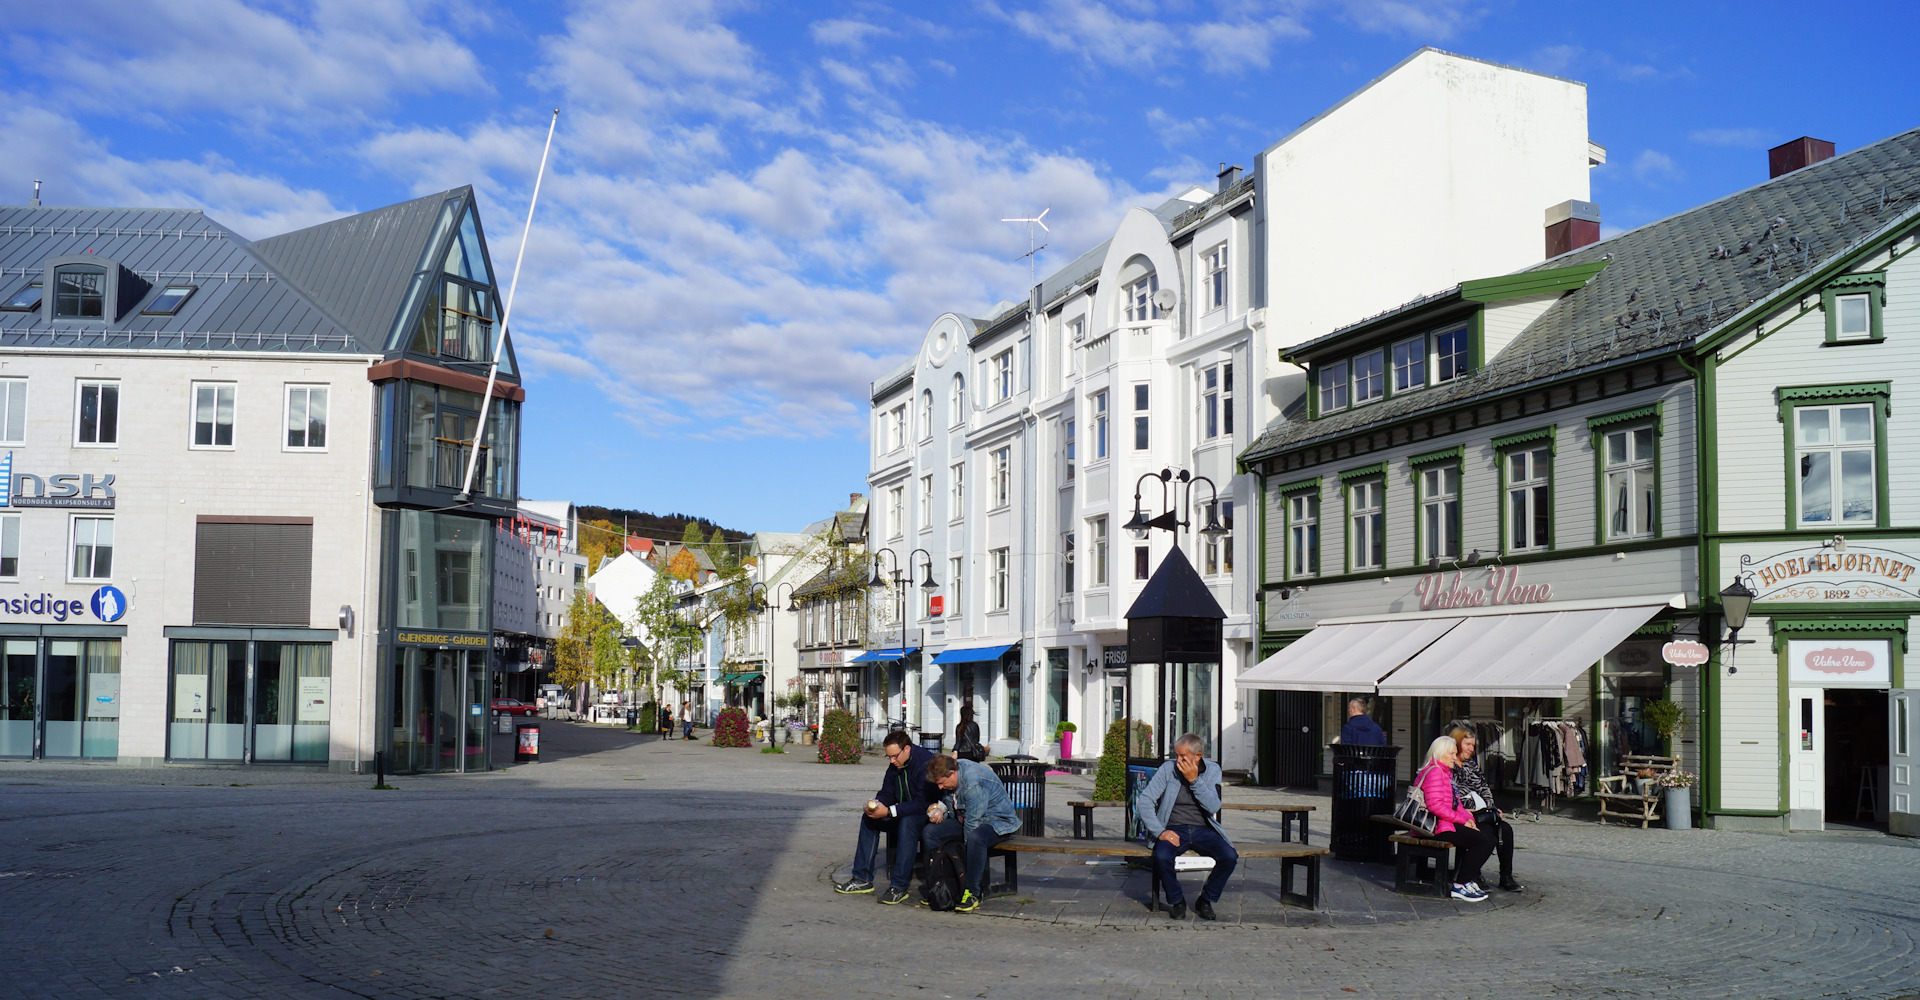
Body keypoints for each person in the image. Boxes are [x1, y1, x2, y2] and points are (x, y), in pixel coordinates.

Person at [1134, 733, 1238, 921]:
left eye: (1183, 756)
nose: (1178, 761)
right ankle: (1177, 900)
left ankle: (1206, 900)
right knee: (1162, 856)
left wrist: (1194, 780)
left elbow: (1214, 806)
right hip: (1173, 828)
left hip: (1203, 829)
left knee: (1230, 856)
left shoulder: (1212, 770)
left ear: (1197, 756)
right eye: (1176, 756)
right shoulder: (1168, 769)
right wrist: (1160, 831)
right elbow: (1145, 800)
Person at [835, 731, 939, 905]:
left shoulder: (926, 763)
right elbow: (887, 792)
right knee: (869, 818)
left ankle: (899, 886)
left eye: (894, 756)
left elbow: (923, 803)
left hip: (928, 814)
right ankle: (862, 878)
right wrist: (876, 804)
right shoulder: (896, 763)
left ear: (907, 749)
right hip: (901, 810)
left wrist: (889, 811)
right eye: (888, 757)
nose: (892, 761)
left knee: (908, 823)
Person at [921, 753, 1022, 913]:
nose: (939, 787)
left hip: (996, 821)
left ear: (952, 773)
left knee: (976, 838)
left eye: (941, 783)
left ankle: (972, 891)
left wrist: (964, 863)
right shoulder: (952, 771)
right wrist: (940, 809)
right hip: (964, 818)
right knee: (930, 832)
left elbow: (973, 824)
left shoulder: (972, 782)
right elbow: (951, 803)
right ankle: (940, 884)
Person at [1417, 735, 1496, 901]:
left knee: (1488, 833)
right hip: (1434, 826)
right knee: (1480, 841)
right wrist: (1462, 821)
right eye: (1452, 754)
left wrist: (1469, 820)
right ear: (1441, 754)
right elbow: (1436, 807)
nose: (1455, 757)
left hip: (1446, 823)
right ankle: (1460, 884)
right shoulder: (1435, 773)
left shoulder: (1446, 774)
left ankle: (1468, 879)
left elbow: (1457, 804)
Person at [1449, 727, 1523, 892]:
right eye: (1467, 744)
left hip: (1481, 812)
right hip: (1462, 815)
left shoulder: (1471, 765)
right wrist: (1470, 804)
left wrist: (1491, 807)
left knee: (1505, 829)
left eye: (1473, 745)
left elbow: (1484, 787)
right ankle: (1473, 873)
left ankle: (1506, 877)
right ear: (1456, 743)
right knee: (1485, 834)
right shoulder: (1449, 764)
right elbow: (1453, 795)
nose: (1471, 749)